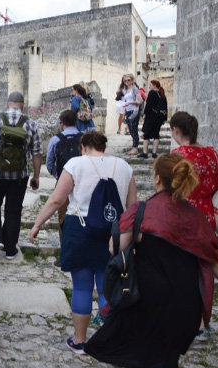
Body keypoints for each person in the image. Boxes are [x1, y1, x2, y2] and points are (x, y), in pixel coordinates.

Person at [84, 153, 218, 368]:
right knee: (169, 359)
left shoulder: (141, 211)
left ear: (157, 178)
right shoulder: (195, 217)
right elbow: (217, 262)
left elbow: (115, 249)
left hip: (151, 299)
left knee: (152, 365)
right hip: (188, 303)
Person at [29, 132, 137, 352]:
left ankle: (79, 341)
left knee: (82, 287)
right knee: (109, 286)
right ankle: (110, 342)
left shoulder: (75, 164)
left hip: (80, 230)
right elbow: (132, 206)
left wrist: (37, 224)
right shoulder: (125, 167)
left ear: (83, 146)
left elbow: (57, 199)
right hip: (114, 233)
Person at [0, 91, 42, 260]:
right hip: (19, 176)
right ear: (23, 105)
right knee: (13, 210)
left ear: (7, 104)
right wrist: (36, 176)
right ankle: (10, 249)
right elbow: (37, 153)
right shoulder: (31, 124)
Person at [168, 112, 218, 229]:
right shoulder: (212, 154)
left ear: (175, 130)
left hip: (183, 214)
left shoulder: (176, 156)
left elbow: (169, 190)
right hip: (207, 216)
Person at [45, 109, 81, 237]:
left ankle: (64, 247)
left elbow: (49, 163)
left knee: (63, 215)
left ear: (61, 123)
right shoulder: (84, 138)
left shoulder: (55, 140)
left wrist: (58, 175)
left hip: (62, 183)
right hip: (82, 183)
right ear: (76, 121)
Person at [138, 80, 168, 159]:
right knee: (156, 134)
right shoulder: (162, 94)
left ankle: (145, 153)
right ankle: (154, 153)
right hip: (159, 117)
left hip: (151, 116)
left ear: (155, 85)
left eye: (150, 85)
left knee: (146, 134)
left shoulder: (152, 93)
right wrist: (164, 118)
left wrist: (145, 114)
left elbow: (148, 105)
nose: (149, 86)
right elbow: (165, 107)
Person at [120, 74, 142, 155]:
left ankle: (135, 148)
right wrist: (123, 115)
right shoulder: (126, 90)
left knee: (134, 129)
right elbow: (125, 103)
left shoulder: (135, 89)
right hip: (128, 111)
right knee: (131, 130)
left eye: (128, 80)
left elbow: (139, 101)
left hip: (134, 111)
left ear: (132, 80)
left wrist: (130, 102)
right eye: (125, 80)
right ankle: (134, 147)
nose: (127, 81)